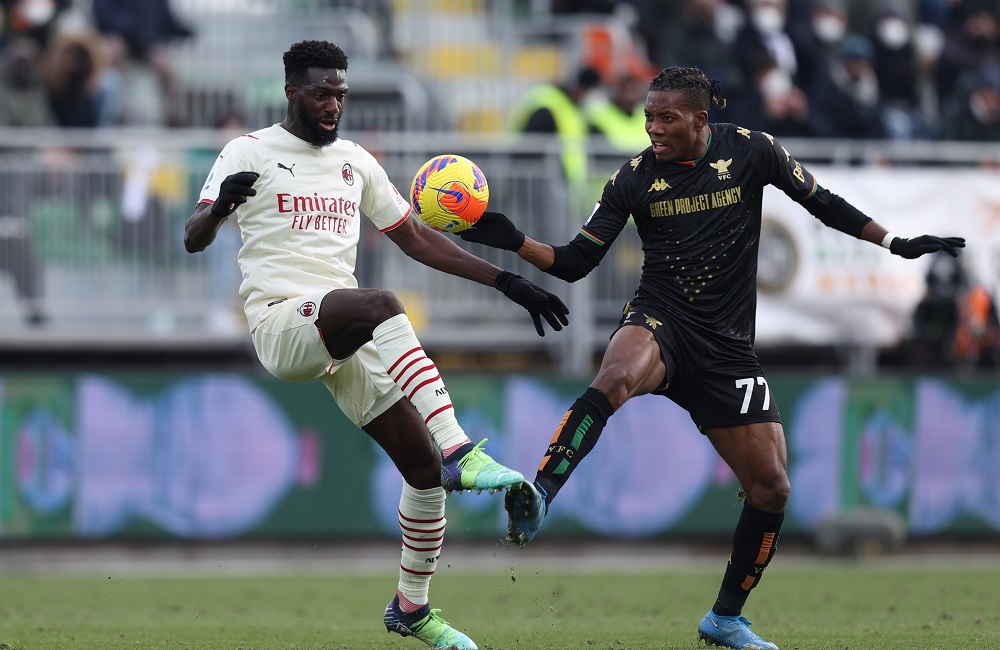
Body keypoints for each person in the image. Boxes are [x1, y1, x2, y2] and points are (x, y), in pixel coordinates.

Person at [458, 65, 965, 650]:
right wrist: (513, 239)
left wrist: (895, 243)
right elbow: (575, 262)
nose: (652, 128)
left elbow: (824, 203)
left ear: (701, 119)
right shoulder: (633, 180)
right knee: (618, 374)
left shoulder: (752, 151)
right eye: (648, 116)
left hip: (726, 349)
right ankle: (541, 493)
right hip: (662, 320)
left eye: (665, 117)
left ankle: (725, 617)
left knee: (771, 488)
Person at [183, 40, 569, 650]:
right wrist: (220, 206)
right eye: (320, 93)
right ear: (291, 92)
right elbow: (193, 237)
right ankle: (462, 449)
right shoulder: (248, 151)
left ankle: (410, 607)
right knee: (384, 304)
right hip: (281, 322)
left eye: (339, 92)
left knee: (421, 471)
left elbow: (414, 236)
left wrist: (508, 280)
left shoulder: (355, 161)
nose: (332, 104)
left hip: (342, 331)